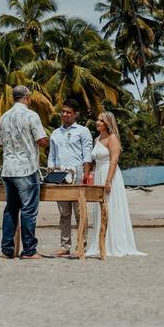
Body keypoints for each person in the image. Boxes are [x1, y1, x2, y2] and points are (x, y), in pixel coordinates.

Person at [0, 85, 49, 260]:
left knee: (10, 209)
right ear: (27, 97)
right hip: (26, 168)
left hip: (8, 169)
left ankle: (7, 250)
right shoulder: (31, 115)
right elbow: (41, 140)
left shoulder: (3, 117)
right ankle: (29, 250)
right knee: (28, 210)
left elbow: (0, 142)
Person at [84, 111, 144, 257]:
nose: (97, 122)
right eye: (97, 120)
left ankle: (115, 243)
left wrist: (109, 181)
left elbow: (114, 160)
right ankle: (101, 243)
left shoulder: (113, 138)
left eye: (101, 121)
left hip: (109, 174)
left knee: (111, 206)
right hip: (98, 173)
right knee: (100, 208)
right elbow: (93, 161)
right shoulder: (97, 139)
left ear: (108, 123)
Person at [47, 98, 93, 256]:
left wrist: (86, 175)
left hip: (77, 176)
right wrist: (50, 173)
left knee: (80, 213)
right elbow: (52, 156)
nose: (64, 114)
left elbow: (87, 155)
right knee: (64, 213)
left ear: (76, 114)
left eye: (68, 112)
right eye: (63, 111)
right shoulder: (55, 133)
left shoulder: (83, 131)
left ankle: (81, 245)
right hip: (59, 177)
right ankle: (65, 246)